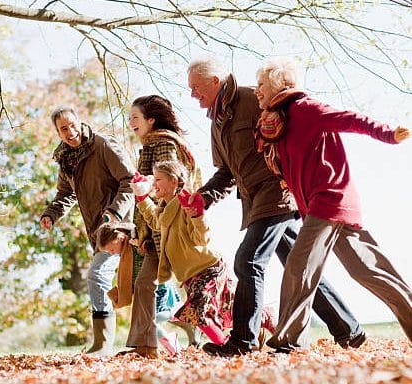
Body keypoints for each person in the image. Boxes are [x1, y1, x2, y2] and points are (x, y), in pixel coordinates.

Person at [186, 58, 365, 357]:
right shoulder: (215, 121)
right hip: (255, 202)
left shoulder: (252, 100)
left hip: (277, 194)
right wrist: (203, 197)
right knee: (300, 269)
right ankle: (348, 330)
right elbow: (226, 173)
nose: (192, 95)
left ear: (215, 81)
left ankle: (243, 341)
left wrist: (302, 178)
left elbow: (295, 129)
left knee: (248, 259)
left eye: (195, 87)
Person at [254, 58, 412, 353]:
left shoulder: (306, 109)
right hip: (323, 205)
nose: (257, 90)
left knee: (299, 266)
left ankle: (289, 340)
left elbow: (351, 119)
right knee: (367, 270)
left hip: (330, 199)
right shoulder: (280, 121)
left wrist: (388, 134)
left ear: (279, 83)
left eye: (261, 84)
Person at [40, 106, 135, 356]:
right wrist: (51, 214)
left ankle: (103, 343)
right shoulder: (65, 160)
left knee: (97, 274)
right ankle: (169, 334)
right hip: (97, 231)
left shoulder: (103, 145)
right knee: (137, 284)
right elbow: (65, 194)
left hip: (120, 226)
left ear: (80, 121)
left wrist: (115, 212)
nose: (70, 132)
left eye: (72, 125)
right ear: (58, 133)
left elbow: (129, 180)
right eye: (63, 129)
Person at [123, 95, 201, 358]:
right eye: (129, 118)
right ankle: (144, 346)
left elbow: (169, 183)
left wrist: (145, 188)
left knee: (200, 286)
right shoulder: (149, 146)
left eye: (135, 117)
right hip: (157, 230)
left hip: (174, 230)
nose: (130, 122)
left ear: (151, 120)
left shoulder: (164, 145)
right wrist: (143, 233)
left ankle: (237, 330)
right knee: (145, 283)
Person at [130, 160, 235, 347]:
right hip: (189, 275)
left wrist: (197, 215)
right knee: (225, 308)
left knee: (196, 312)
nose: (154, 184)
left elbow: (201, 238)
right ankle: (264, 317)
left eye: (158, 179)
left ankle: (224, 345)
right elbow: (155, 221)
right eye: (153, 179)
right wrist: (142, 197)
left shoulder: (186, 203)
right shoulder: (164, 207)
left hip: (208, 267)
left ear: (173, 181)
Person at [95, 222, 183, 356]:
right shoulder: (125, 252)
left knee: (151, 319)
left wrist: (139, 243)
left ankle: (172, 345)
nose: (112, 253)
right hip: (148, 289)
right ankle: (169, 337)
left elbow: (148, 263)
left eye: (112, 249)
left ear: (119, 238)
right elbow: (132, 274)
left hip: (159, 288)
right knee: (149, 319)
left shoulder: (134, 242)